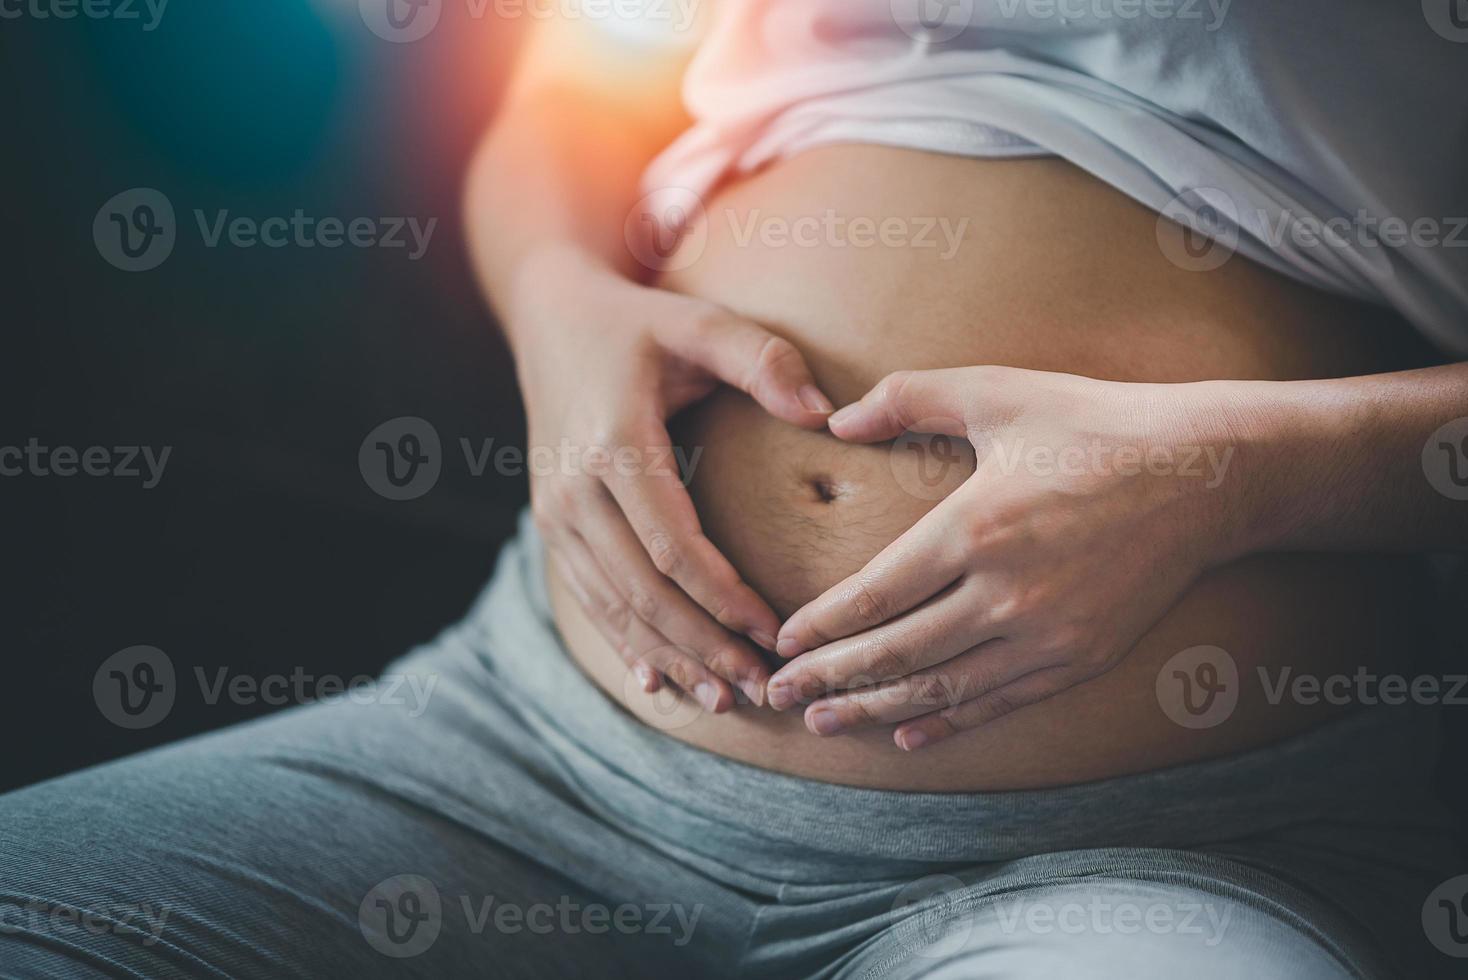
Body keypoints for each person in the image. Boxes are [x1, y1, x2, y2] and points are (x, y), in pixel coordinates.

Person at [3, 3, 1465, 977]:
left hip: (1140, 857)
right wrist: (564, 310)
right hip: (526, 752)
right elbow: (578, 85)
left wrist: (1231, 482)